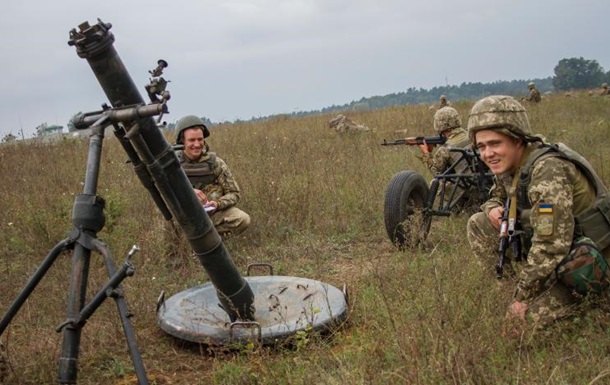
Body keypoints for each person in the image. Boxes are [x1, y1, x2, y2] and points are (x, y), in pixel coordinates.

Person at [466, 95, 610, 332]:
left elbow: (551, 242)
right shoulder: (510, 164)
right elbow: (497, 195)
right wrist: (492, 208)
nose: (487, 153)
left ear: (518, 140)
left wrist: (522, 298)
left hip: (586, 263)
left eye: (495, 143)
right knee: (478, 222)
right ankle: (509, 288)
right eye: (481, 146)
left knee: (519, 331)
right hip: (562, 253)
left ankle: (596, 303)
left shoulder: (547, 170)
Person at [174, 115, 250, 239]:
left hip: (212, 216)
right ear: (182, 141)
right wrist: (187, 191)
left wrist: (217, 204)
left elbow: (234, 194)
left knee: (243, 219)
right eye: (191, 140)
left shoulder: (216, 163)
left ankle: (212, 244)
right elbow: (161, 194)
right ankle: (178, 250)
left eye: (200, 139)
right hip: (182, 217)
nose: (197, 144)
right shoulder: (172, 164)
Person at [418, 106, 470, 175]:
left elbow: (436, 172)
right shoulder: (472, 135)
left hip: (466, 183)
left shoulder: (445, 149)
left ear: (439, 125)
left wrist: (426, 153)